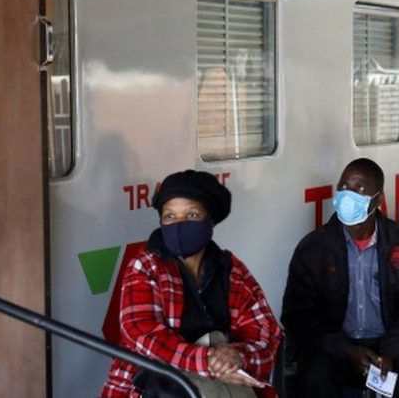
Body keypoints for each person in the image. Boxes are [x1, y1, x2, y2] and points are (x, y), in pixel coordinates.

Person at [101, 170, 282, 398]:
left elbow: (266, 333)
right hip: (154, 389)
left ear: (210, 221)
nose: (179, 225)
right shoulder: (146, 266)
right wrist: (205, 362)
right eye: (170, 216)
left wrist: (238, 356)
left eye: (192, 215)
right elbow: (140, 331)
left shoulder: (232, 271)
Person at [282, 158, 399, 398]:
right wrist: (345, 349)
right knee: (311, 379)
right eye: (343, 188)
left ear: (377, 200)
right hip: (334, 347)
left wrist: (390, 351)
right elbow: (297, 314)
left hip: (391, 346)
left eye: (359, 190)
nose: (348, 196)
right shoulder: (313, 248)